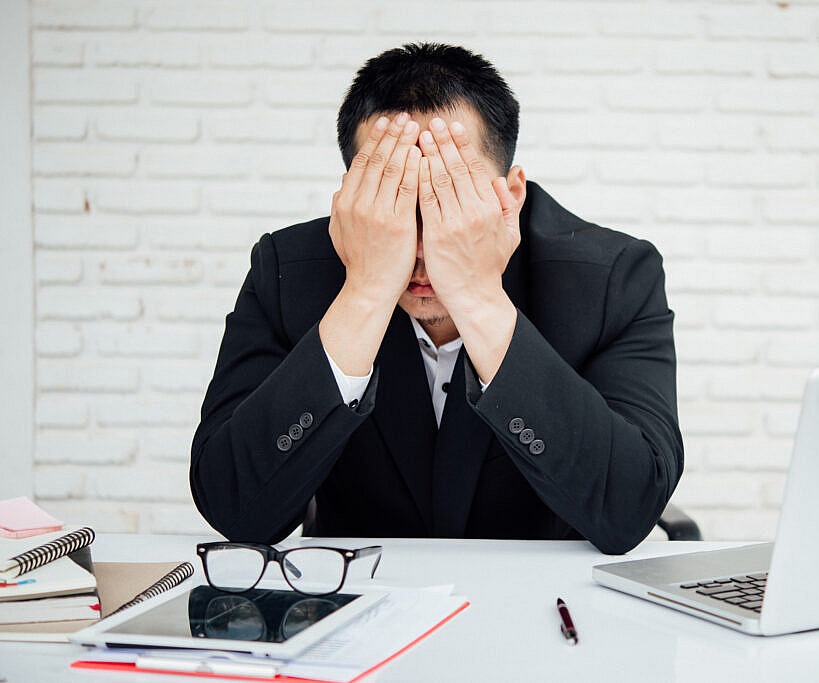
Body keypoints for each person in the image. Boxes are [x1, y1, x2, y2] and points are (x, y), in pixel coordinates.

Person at [190, 43, 683, 555]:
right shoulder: (286, 272)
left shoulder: (613, 277)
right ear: (356, 195)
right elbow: (235, 509)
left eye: (451, 201)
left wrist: (476, 293)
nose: (422, 251)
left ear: (510, 196)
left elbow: (629, 506)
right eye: (395, 198)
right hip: (359, 596)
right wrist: (365, 290)